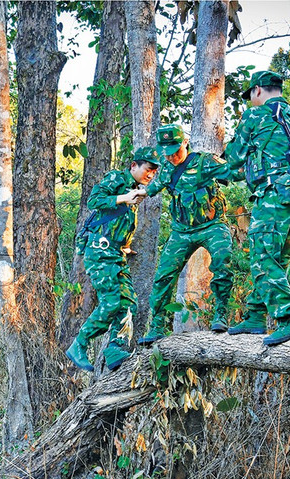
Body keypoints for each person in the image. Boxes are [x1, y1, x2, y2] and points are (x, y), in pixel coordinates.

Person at [224, 70, 290, 345]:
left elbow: (233, 157)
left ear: (257, 91)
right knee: (277, 259)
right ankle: (255, 315)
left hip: (272, 194)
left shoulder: (256, 115)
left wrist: (216, 169)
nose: (251, 100)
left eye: (251, 95)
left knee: (263, 257)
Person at [136, 123, 236, 344]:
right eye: (167, 153)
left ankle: (221, 314)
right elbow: (148, 190)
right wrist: (122, 197)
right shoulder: (167, 170)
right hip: (181, 231)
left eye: (175, 151)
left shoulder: (204, 162)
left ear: (185, 142)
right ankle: (157, 326)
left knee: (222, 261)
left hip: (212, 226)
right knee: (164, 276)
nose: (171, 157)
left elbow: (234, 171)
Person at [66, 147, 161, 371]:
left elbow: (117, 224)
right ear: (133, 166)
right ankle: (79, 343)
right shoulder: (118, 178)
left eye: (154, 172)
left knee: (129, 303)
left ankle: (115, 348)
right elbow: (94, 200)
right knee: (111, 302)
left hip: (115, 254)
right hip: (100, 253)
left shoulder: (135, 190)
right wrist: (123, 198)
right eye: (148, 169)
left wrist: (125, 247)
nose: (151, 175)